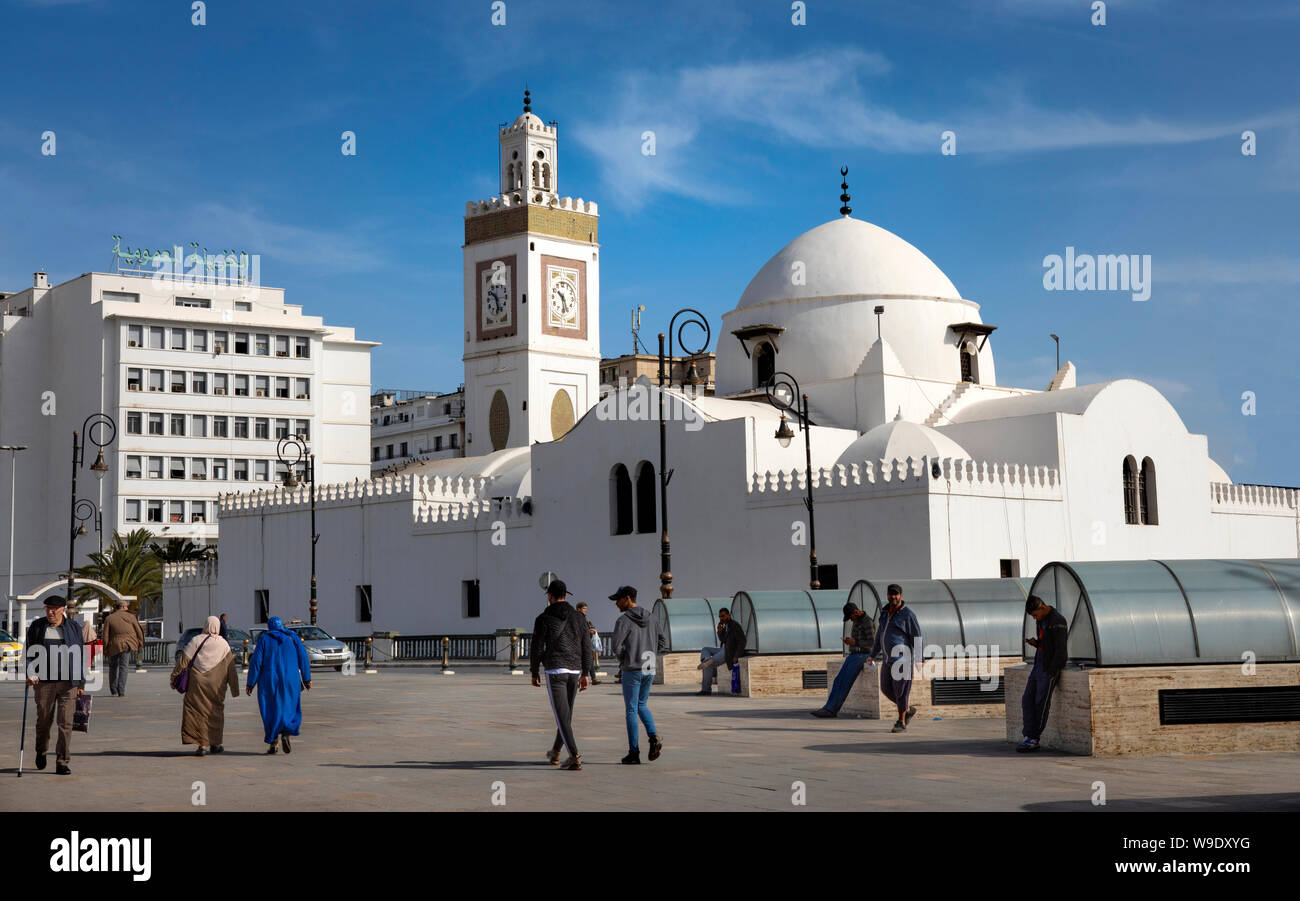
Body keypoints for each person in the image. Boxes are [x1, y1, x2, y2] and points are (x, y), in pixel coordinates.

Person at [529, 579, 592, 771]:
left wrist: (534, 671)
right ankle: (556, 751)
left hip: (556, 670)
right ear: (566, 595)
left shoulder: (543, 618)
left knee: (562, 716)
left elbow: (537, 647)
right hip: (574, 670)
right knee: (566, 714)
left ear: (550, 596)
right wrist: (586, 673)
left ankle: (574, 756)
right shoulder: (579, 617)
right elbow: (586, 646)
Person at [24, 597, 86, 775]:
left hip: (68, 683)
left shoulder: (73, 628)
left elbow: (80, 655)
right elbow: (29, 652)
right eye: (48, 608)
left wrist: (81, 681)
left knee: (65, 723)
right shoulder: (37, 626)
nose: (50, 612)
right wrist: (30, 673)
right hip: (44, 683)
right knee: (44, 721)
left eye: (54, 609)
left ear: (62, 610)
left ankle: (62, 761)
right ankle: (41, 750)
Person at [609, 585, 666, 764]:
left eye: (618, 600)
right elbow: (663, 642)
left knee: (631, 709)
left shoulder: (623, 620)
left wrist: (625, 659)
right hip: (649, 667)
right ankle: (653, 737)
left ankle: (634, 752)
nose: (616, 604)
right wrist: (650, 653)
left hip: (632, 668)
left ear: (627, 598)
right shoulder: (652, 617)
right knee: (642, 704)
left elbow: (616, 647)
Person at [170, 616, 240, 756]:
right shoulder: (224, 644)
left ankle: (202, 745)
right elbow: (231, 668)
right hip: (217, 685)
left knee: (197, 711)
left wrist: (173, 678)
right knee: (215, 711)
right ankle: (216, 743)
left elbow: (183, 661)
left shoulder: (196, 640)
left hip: (197, 683)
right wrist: (234, 688)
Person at [245, 616, 312, 754]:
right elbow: (303, 658)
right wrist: (306, 679)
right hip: (290, 680)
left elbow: (256, 662)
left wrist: (251, 682)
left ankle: (273, 742)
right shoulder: (293, 637)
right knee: (289, 706)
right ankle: (286, 734)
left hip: (269, 680)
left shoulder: (264, 639)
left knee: (271, 709)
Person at [1017, 595, 1069, 753]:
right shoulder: (1042, 620)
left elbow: (1061, 650)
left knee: (1041, 702)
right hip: (1038, 664)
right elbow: (1046, 644)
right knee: (1027, 699)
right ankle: (1028, 735)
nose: (1034, 619)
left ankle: (1033, 738)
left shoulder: (1057, 621)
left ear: (1041, 607)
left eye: (1035, 615)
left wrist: (1053, 670)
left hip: (1048, 668)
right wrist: (1036, 643)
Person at [870, 584, 923, 733]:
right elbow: (879, 636)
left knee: (901, 692)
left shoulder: (908, 615)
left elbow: (917, 636)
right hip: (887, 660)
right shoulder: (885, 613)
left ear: (901, 595)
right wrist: (872, 654)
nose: (893, 597)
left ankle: (901, 721)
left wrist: (919, 658)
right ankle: (906, 709)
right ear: (887, 595)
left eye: (896, 594)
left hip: (903, 659)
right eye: (890, 594)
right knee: (885, 688)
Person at [811, 601, 877, 718]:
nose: (850, 620)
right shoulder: (857, 622)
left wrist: (855, 642)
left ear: (855, 613)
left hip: (863, 655)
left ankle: (831, 710)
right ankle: (828, 708)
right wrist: (850, 642)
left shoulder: (867, 622)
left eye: (850, 617)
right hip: (854, 655)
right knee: (838, 681)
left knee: (845, 682)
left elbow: (872, 644)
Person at [696, 607, 746, 695]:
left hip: (729, 651)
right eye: (719, 617)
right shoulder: (725, 626)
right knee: (705, 650)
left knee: (709, 665)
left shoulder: (734, 625)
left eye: (723, 616)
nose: (721, 618)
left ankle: (706, 689)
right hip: (723, 649)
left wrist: (736, 655)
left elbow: (742, 641)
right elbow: (723, 639)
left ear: (728, 615)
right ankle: (706, 660)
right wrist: (719, 631)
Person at [101, 599, 145, 697]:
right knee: (123, 667)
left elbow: (105, 636)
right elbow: (138, 631)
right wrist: (141, 642)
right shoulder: (131, 617)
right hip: (127, 644)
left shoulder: (109, 618)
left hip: (113, 645)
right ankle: (121, 690)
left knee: (112, 667)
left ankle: (113, 690)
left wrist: (105, 647)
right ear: (124, 607)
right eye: (127, 606)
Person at [575, 602, 602, 685]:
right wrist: (588, 631)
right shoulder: (576, 617)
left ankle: (593, 678)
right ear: (578, 609)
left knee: (589, 660)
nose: (585, 610)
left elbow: (588, 627)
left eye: (585, 609)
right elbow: (578, 630)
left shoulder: (584, 618)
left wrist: (592, 630)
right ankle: (579, 678)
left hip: (585, 643)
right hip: (579, 643)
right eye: (583, 608)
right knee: (580, 661)